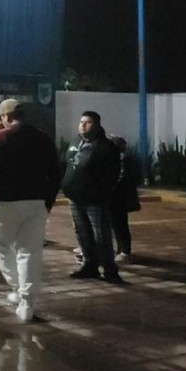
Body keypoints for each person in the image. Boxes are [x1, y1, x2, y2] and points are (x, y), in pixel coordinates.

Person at [0, 99, 61, 322]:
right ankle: (27, 303)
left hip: (6, 203)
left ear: (6, 116)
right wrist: (48, 202)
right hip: (36, 203)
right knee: (29, 252)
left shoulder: (2, 137)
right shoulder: (42, 137)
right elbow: (55, 172)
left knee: (0, 244)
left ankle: (16, 285)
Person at [62, 111, 124, 284]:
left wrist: (100, 193)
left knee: (101, 236)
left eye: (87, 122)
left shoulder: (106, 147)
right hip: (74, 198)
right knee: (82, 233)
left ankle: (110, 270)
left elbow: (112, 174)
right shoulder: (75, 141)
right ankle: (90, 265)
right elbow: (66, 164)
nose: (83, 125)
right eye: (81, 122)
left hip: (94, 200)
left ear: (96, 125)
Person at [107, 135, 140, 263]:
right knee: (116, 225)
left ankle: (125, 251)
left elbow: (126, 178)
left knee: (119, 225)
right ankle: (121, 249)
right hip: (114, 198)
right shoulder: (118, 159)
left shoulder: (124, 160)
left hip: (119, 198)